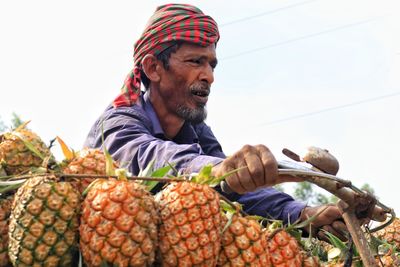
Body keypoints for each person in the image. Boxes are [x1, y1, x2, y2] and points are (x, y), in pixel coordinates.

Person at [85, 3, 349, 240]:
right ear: (154, 68)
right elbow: (151, 158)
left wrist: (304, 214)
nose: (209, 76)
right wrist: (223, 170)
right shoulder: (118, 123)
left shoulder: (197, 132)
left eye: (212, 65)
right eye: (195, 61)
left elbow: (237, 190)